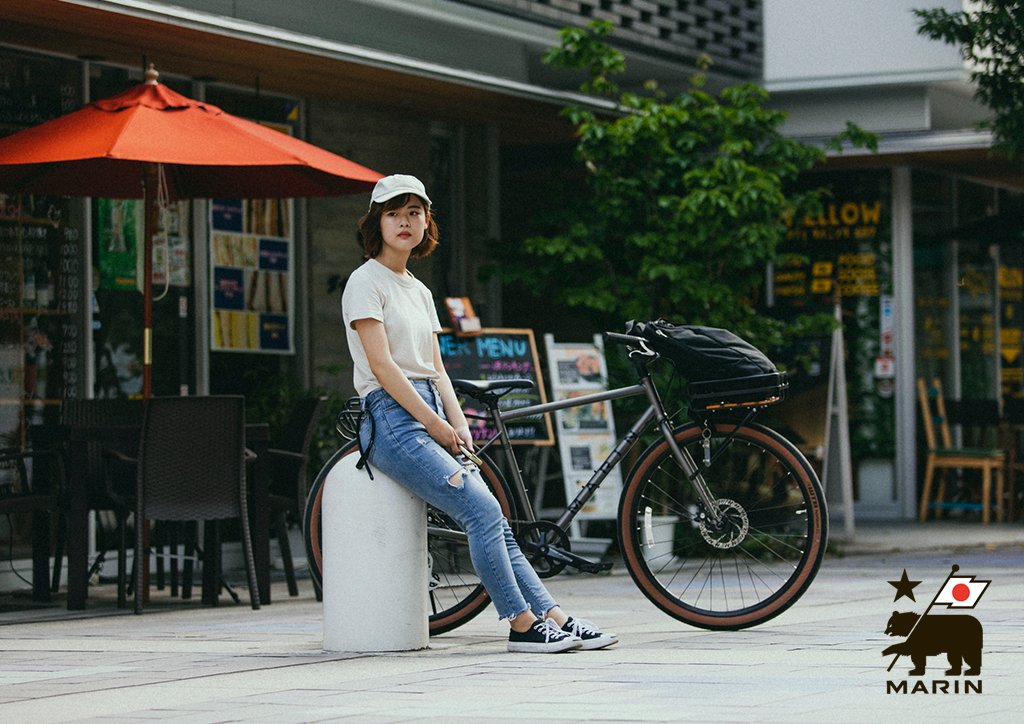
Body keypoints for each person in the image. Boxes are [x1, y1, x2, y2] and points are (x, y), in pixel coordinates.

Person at [342, 174, 617, 653]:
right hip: (392, 417)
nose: (405, 222)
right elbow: (384, 368)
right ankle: (521, 624)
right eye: (393, 213)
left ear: (427, 220)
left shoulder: (418, 290)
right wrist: (433, 423)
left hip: (430, 409)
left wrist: (459, 419)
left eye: (414, 213)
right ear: (376, 222)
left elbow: (436, 367)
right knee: (482, 509)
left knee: (493, 518)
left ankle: (553, 616)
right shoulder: (365, 282)